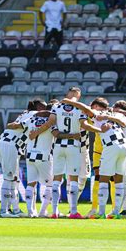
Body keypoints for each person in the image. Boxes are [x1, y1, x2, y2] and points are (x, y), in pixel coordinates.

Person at [29, 87, 102, 219]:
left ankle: (54, 212)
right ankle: (73, 211)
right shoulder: (79, 108)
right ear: (78, 96)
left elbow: (49, 123)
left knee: (57, 179)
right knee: (73, 178)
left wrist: (36, 132)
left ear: (67, 94)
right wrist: (98, 130)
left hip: (58, 146)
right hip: (73, 146)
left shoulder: (57, 107)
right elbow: (84, 125)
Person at [63, 97, 126, 219]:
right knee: (118, 179)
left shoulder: (98, 113)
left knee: (103, 179)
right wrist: (108, 118)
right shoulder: (115, 114)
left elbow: (84, 108)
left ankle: (101, 212)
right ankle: (116, 213)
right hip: (124, 147)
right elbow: (124, 123)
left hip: (110, 146)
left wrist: (70, 102)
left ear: (96, 107)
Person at [0, 99, 45, 218]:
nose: (46, 109)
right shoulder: (34, 114)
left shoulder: (26, 114)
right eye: (44, 107)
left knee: (14, 179)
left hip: (10, 145)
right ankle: (3, 211)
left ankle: (16, 209)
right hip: (10, 145)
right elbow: (47, 114)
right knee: (8, 178)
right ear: (38, 107)